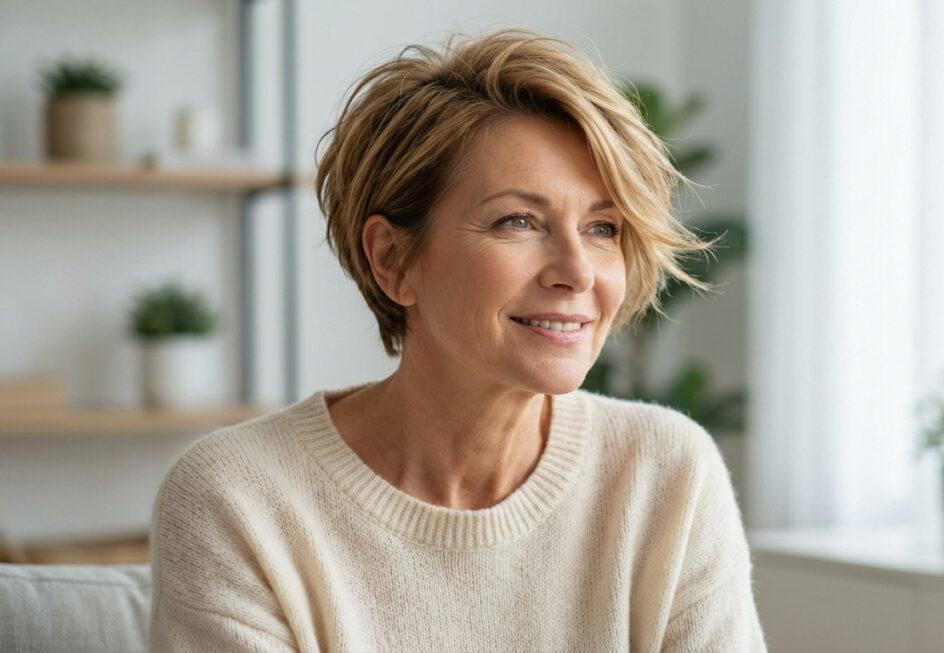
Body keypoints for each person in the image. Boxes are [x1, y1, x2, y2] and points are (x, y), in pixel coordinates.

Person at [149, 28, 766, 652]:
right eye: (519, 221)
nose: (578, 271)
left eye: (602, 227)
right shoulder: (237, 497)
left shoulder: (667, 474)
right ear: (392, 260)